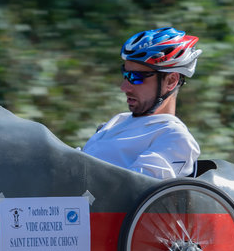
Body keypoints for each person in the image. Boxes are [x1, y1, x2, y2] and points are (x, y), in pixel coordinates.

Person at [82, 27, 202, 179]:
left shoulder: (173, 136)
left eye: (136, 77)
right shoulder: (117, 122)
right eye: (125, 74)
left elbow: (136, 191)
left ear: (171, 81)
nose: (124, 87)